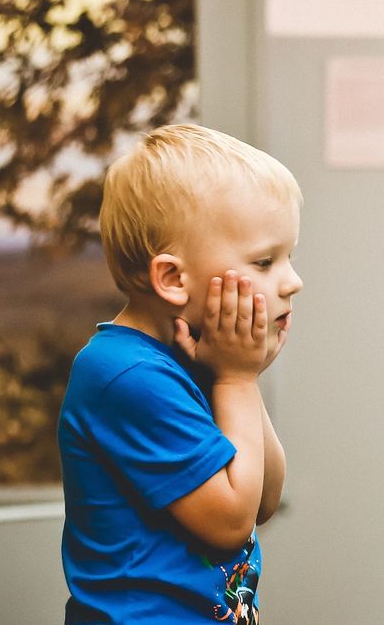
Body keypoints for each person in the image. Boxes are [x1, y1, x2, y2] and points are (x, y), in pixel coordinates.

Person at [59, 123, 303, 623]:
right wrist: (236, 379)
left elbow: (265, 498)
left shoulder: (195, 358)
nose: (292, 281)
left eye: (288, 257)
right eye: (264, 261)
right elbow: (232, 522)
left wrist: (240, 377)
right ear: (172, 278)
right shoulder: (124, 374)